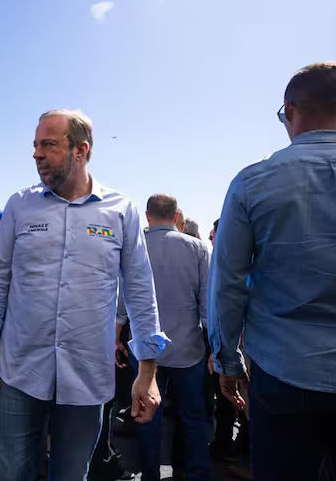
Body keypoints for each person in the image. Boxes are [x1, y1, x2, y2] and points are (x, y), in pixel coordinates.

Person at [0, 109, 169, 480]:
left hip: (86, 375)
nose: (36, 154)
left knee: (70, 474)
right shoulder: (20, 205)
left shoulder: (120, 210)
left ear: (81, 150)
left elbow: (141, 289)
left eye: (48, 144)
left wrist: (148, 371)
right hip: (19, 371)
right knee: (11, 473)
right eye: (35, 145)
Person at [209, 62, 336, 481]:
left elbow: (228, 282)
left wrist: (228, 361)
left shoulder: (253, 182)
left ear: (289, 108)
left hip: (285, 372)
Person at [134, 194, 211, 481]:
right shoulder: (198, 248)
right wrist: (214, 345)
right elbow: (207, 304)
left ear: (147, 215)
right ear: (177, 215)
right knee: (193, 415)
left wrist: (116, 337)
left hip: (146, 349)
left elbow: (121, 302)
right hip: (187, 347)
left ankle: (150, 475)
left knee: (146, 413)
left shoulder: (137, 247)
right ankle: (197, 474)